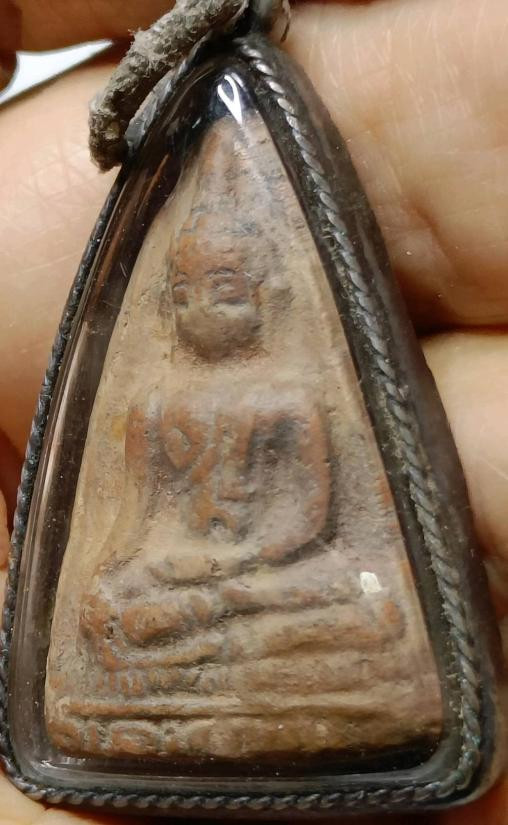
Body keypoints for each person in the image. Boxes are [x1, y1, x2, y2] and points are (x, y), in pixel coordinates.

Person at [0, 0, 507, 821]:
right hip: (186, 579)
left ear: (266, 293)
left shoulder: (293, 398)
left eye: (226, 289)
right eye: (184, 293)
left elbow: (306, 524)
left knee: (369, 608)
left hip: (270, 578)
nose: (204, 309)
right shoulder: (151, 403)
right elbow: (135, 525)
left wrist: (222, 573)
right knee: (104, 607)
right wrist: (144, 569)